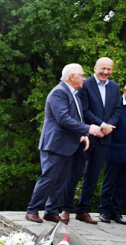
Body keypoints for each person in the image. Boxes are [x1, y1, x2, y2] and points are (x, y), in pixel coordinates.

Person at [26, 64, 103, 224]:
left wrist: (82, 135)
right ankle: (32, 210)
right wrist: (89, 129)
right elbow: (63, 119)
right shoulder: (59, 92)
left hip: (69, 144)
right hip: (55, 145)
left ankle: (51, 211)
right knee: (49, 178)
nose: (84, 78)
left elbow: (75, 118)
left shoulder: (73, 93)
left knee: (61, 179)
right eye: (82, 75)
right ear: (71, 77)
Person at [64, 57, 120, 225]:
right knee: (74, 173)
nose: (105, 72)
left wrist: (108, 127)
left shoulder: (115, 87)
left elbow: (117, 110)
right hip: (86, 136)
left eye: (109, 69)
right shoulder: (85, 84)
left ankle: (83, 210)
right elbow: (84, 110)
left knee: (93, 176)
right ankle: (66, 209)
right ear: (95, 68)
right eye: (103, 68)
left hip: (104, 139)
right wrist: (101, 125)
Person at [100, 84, 126, 224]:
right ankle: (104, 210)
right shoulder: (116, 106)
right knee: (109, 182)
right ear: (124, 90)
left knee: (123, 185)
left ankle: (116, 211)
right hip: (114, 150)